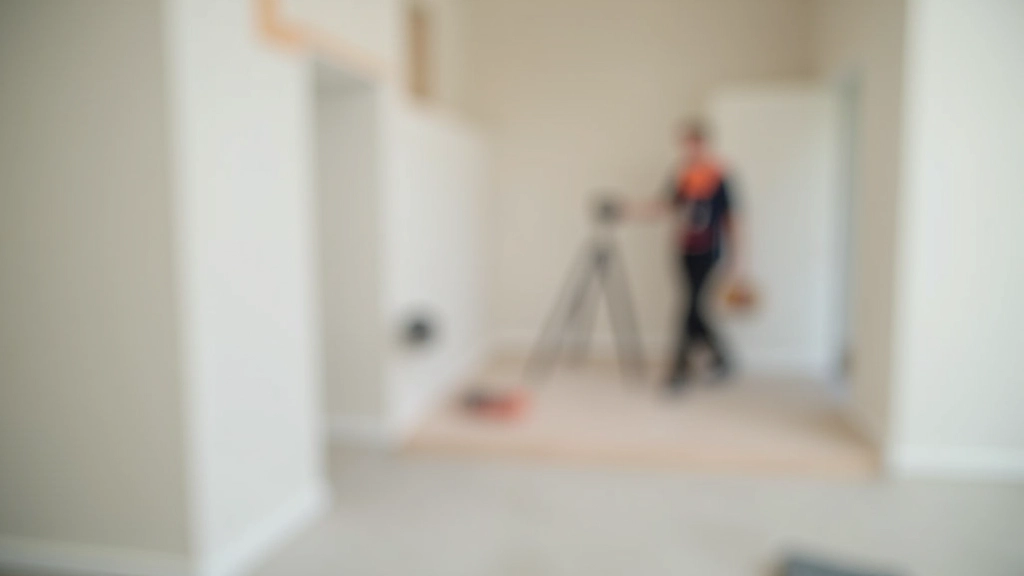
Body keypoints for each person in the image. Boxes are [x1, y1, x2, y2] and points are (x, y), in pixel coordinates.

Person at [631, 120, 741, 390]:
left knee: (689, 308)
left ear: (704, 143)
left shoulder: (719, 175)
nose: (689, 150)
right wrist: (628, 210)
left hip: (710, 249)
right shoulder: (682, 175)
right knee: (693, 307)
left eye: (694, 144)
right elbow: (664, 205)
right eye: (685, 145)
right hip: (683, 248)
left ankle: (678, 372)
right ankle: (722, 357)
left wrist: (738, 261)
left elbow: (733, 220)